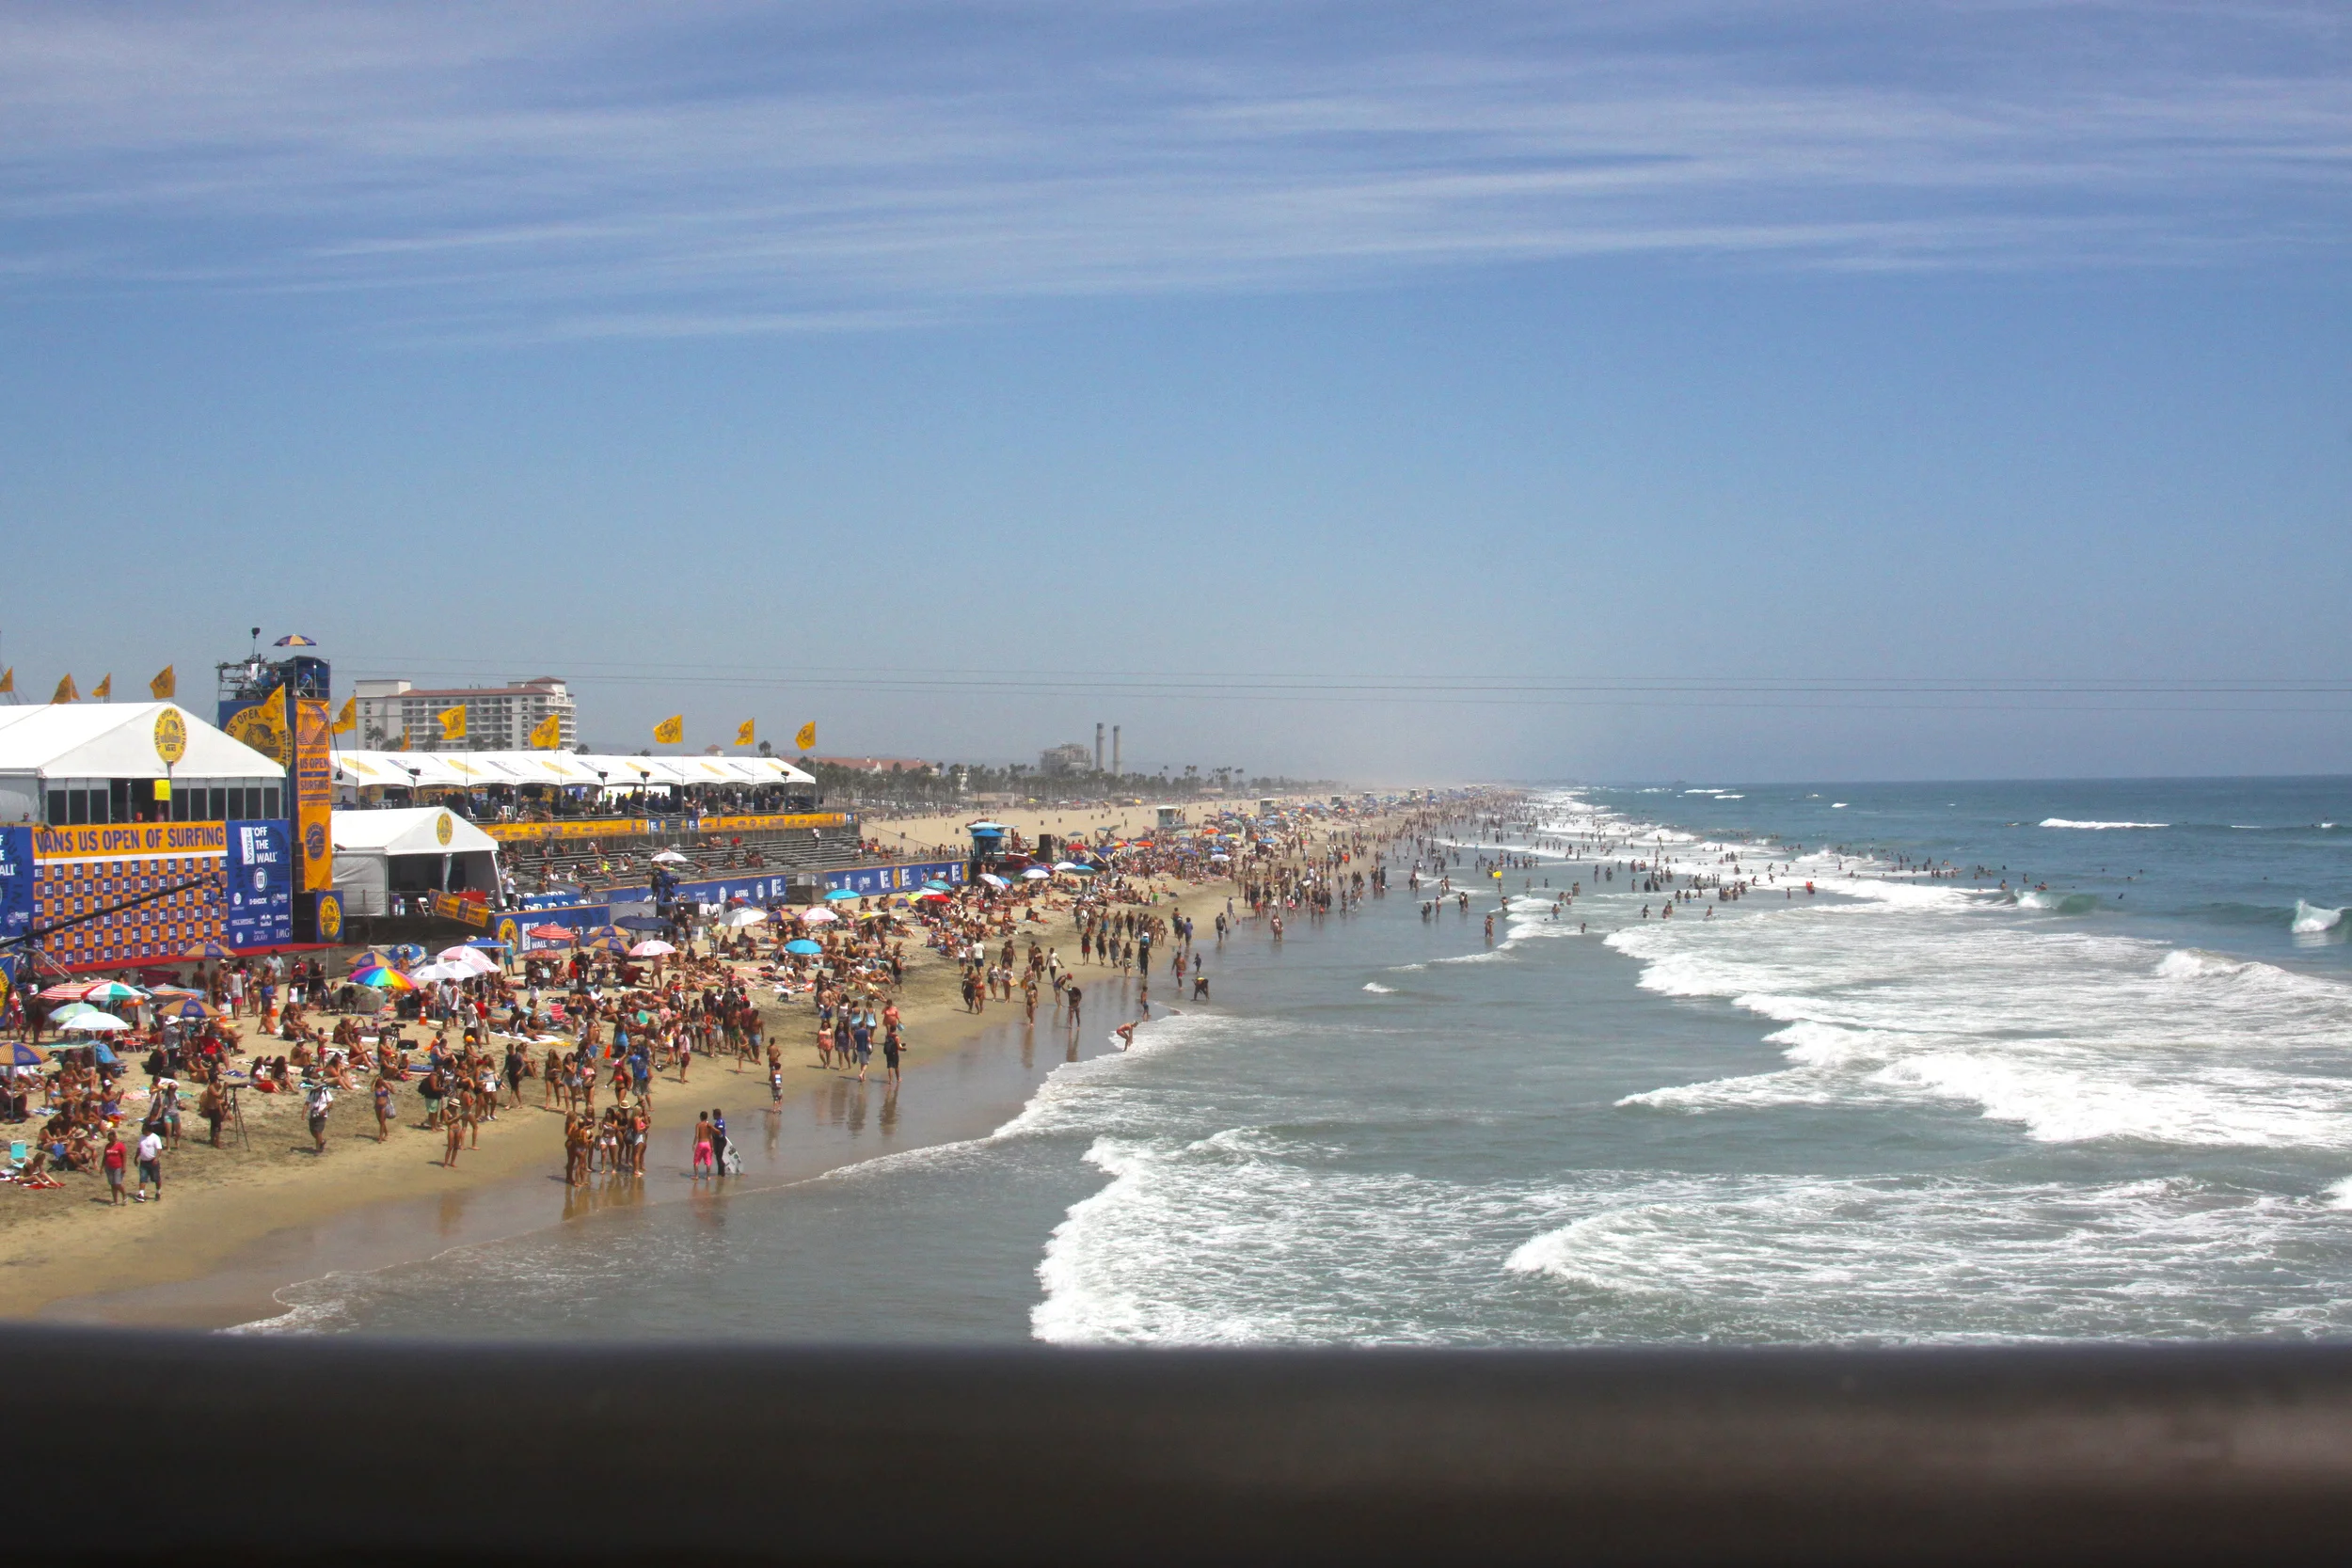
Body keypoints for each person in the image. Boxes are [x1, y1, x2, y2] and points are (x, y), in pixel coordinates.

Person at [135, 1125, 164, 1202]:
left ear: (148, 1130)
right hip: (143, 1161)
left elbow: (159, 1149)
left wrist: (157, 1158)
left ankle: (158, 1192)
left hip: (153, 1162)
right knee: (143, 1178)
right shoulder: (141, 1137)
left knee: (156, 1178)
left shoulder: (155, 1137)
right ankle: (141, 1194)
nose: (142, 1131)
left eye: (143, 1129)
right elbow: (139, 1148)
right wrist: (136, 1157)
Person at [305, 1080, 334, 1155]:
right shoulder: (311, 1093)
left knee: (318, 1131)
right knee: (313, 1131)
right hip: (313, 1114)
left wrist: (324, 1110)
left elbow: (331, 1103)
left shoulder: (326, 1093)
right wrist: (303, 1114)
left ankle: (318, 1148)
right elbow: (307, 1103)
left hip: (322, 1115)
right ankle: (321, 1141)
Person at [102, 1131, 128, 1205]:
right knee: (112, 1184)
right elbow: (105, 1156)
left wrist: (124, 1167)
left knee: (117, 1183)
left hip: (118, 1167)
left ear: (115, 1138)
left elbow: (124, 1157)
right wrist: (102, 1167)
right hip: (108, 1167)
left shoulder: (120, 1145)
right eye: (110, 1140)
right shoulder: (107, 1146)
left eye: (112, 1139)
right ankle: (115, 1200)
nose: (111, 1141)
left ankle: (124, 1195)